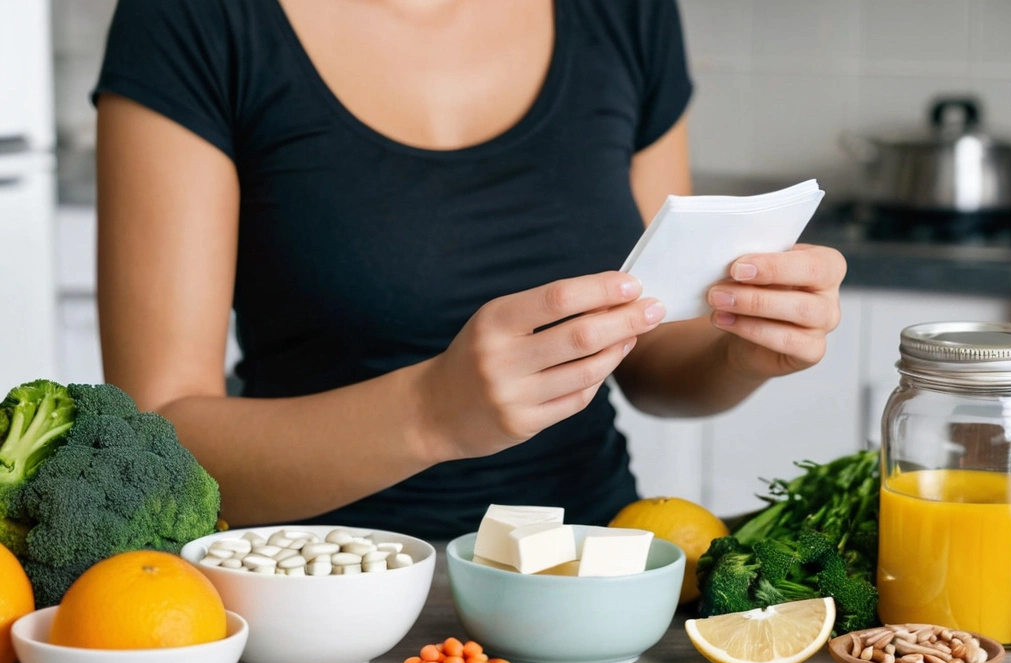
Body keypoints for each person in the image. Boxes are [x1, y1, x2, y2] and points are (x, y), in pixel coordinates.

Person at [92, 0, 847, 539]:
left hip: (586, 584)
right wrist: (430, 411)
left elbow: (650, 354)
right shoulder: (190, 19)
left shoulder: (626, 13)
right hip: (314, 598)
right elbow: (159, 433)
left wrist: (739, 347)